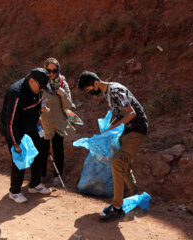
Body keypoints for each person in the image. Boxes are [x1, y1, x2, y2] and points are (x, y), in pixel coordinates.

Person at [78, 71, 148, 222]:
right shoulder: (108, 93)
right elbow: (119, 113)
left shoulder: (115, 90)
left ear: (96, 83)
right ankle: (137, 196)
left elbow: (131, 113)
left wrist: (112, 128)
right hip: (127, 131)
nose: (90, 92)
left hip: (136, 129)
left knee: (117, 164)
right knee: (124, 165)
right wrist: (109, 128)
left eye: (89, 89)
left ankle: (116, 207)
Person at [0, 68, 52, 204]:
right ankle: (15, 192)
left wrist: (40, 114)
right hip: (16, 130)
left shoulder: (38, 89)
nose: (42, 90)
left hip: (32, 127)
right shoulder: (16, 93)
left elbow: (37, 104)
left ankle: (34, 185)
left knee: (40, 153)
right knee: (20, 160)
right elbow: (11, 122)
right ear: (31, 81)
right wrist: (16, 143)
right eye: (40, 87)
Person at [40, 58, 76, 186]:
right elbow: (34, 100)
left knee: (58, 149)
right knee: (43, 149)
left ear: (58, 70)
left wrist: (63, 94)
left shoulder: (63, 84)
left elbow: (69, 105)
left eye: (54, 70)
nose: (51, 74)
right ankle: (41, 175)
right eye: (48, 70)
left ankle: (58, 175)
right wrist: (41, 105)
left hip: (58, 122)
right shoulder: (41, 83)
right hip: (44, 122)